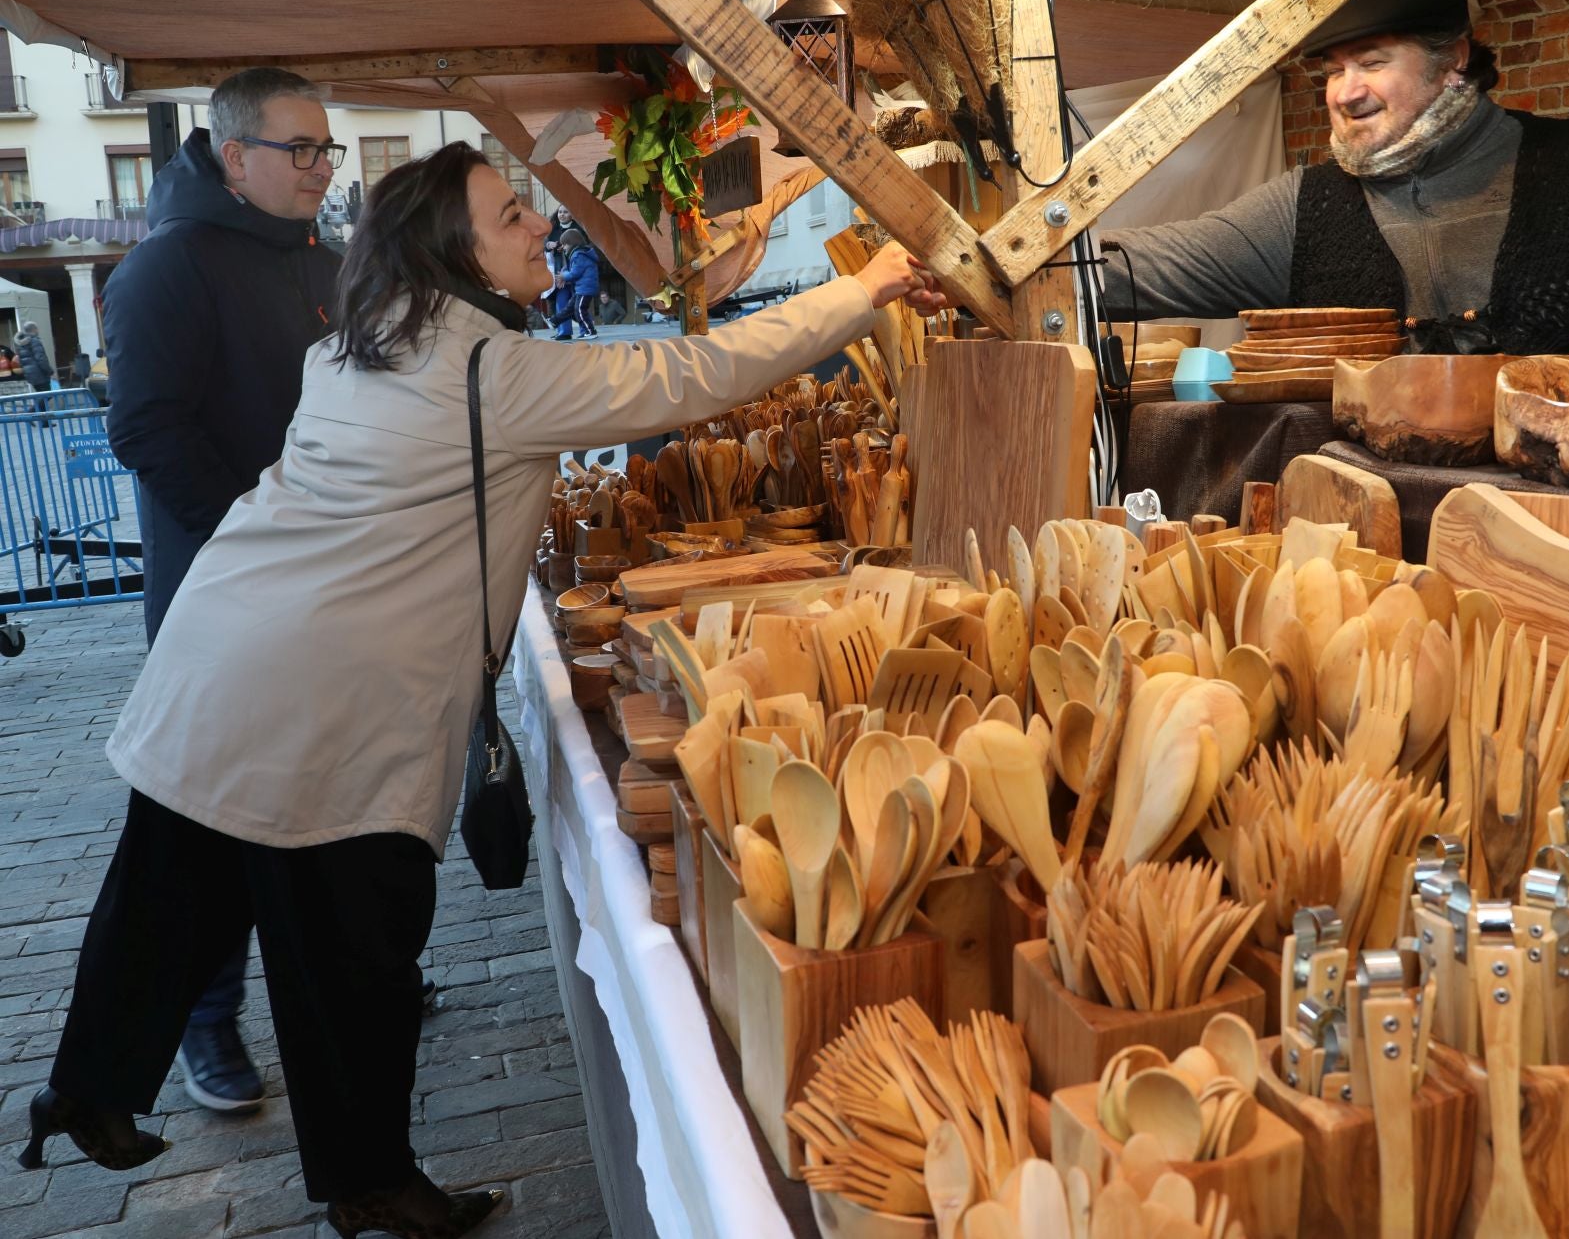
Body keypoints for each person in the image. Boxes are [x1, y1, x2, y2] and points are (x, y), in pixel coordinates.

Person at [20, 141, 933, 1239]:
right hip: (325, 701)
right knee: (353, 951)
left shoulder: (355, 346)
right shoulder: (491, 371)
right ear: (456, 249)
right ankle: (370, 1185)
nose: (537, 227)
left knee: (172, 887)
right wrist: (865, 286)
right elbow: (697, 375)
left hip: (222, 654)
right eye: (511, 216)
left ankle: (89, 1090)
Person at [924, 0, 1569, 353]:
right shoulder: (1306, 206)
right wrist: (975, 264)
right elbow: (1129, 269)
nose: (1344, 92)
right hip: (1374, 579)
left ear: (1457, 58)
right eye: (1331, 70)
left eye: (1373, 62)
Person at [102, 66, 344, 1117]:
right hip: (222, 599)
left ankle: (341, 983)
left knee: (330, 803)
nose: (321, 167)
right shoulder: (166, 269)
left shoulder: (330, 263)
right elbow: (146, 429)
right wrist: (263, 540)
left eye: (327, 149)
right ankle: (207, 1022)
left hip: (335, 598)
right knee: (219, 822)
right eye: (301, 150)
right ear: (233, 155)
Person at [556, 226, 600, 339]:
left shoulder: (579, 255)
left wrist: (563, 276)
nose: (563, 247)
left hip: (585, 288)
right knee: (576, 309)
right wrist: (564, 272)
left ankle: (590, 331)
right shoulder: (578, 254)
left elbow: (575, 273)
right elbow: (570, 267)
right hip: (583, 288)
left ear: (572, 243)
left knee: (580, 310)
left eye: (565, 244)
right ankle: (555, 321)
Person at [17, 320, 54, 416]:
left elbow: (20, 360)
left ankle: (45, 421)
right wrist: (49, 370)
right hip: (39, 373)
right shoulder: (34, 341)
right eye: (37, 328)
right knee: (47, 395)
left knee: (41, 396)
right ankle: (30, 412)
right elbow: (40, 358)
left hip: (30, 374)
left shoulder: (21, 344)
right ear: (34, 329)